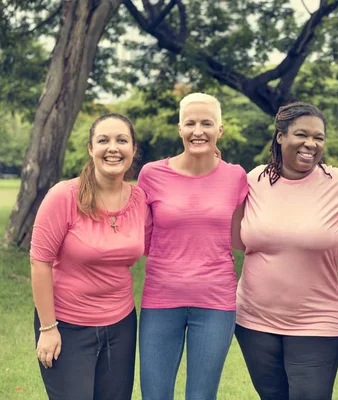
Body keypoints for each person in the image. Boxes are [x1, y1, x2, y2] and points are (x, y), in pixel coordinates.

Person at [232, 102, 338, 400]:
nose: (311, 144)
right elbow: (237, 238)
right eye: (301, 134)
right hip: (254, 321)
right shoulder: (254, 180)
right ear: (280, 136)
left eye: (318, 137)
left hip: (318, 320)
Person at [137, 93, 248, 400]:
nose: (198, 131)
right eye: (191, 123)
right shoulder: (151, 174)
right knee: (154, 394)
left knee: (201, 396)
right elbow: (144, 238)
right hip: (161, 299)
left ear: (220, 129)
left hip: (215, 303)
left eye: (206, 123)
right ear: (180, 129)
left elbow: (240, 237)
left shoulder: (236, 176)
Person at [30, 113, 146, 400]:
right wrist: (48, 328)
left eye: (122, 140)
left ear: (133, 149)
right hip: (67, 326)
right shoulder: (63, 196)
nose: (113, 148)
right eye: (103, 140)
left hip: (121, 325)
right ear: (90, 148)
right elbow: (40, 262)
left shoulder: (140, 199)